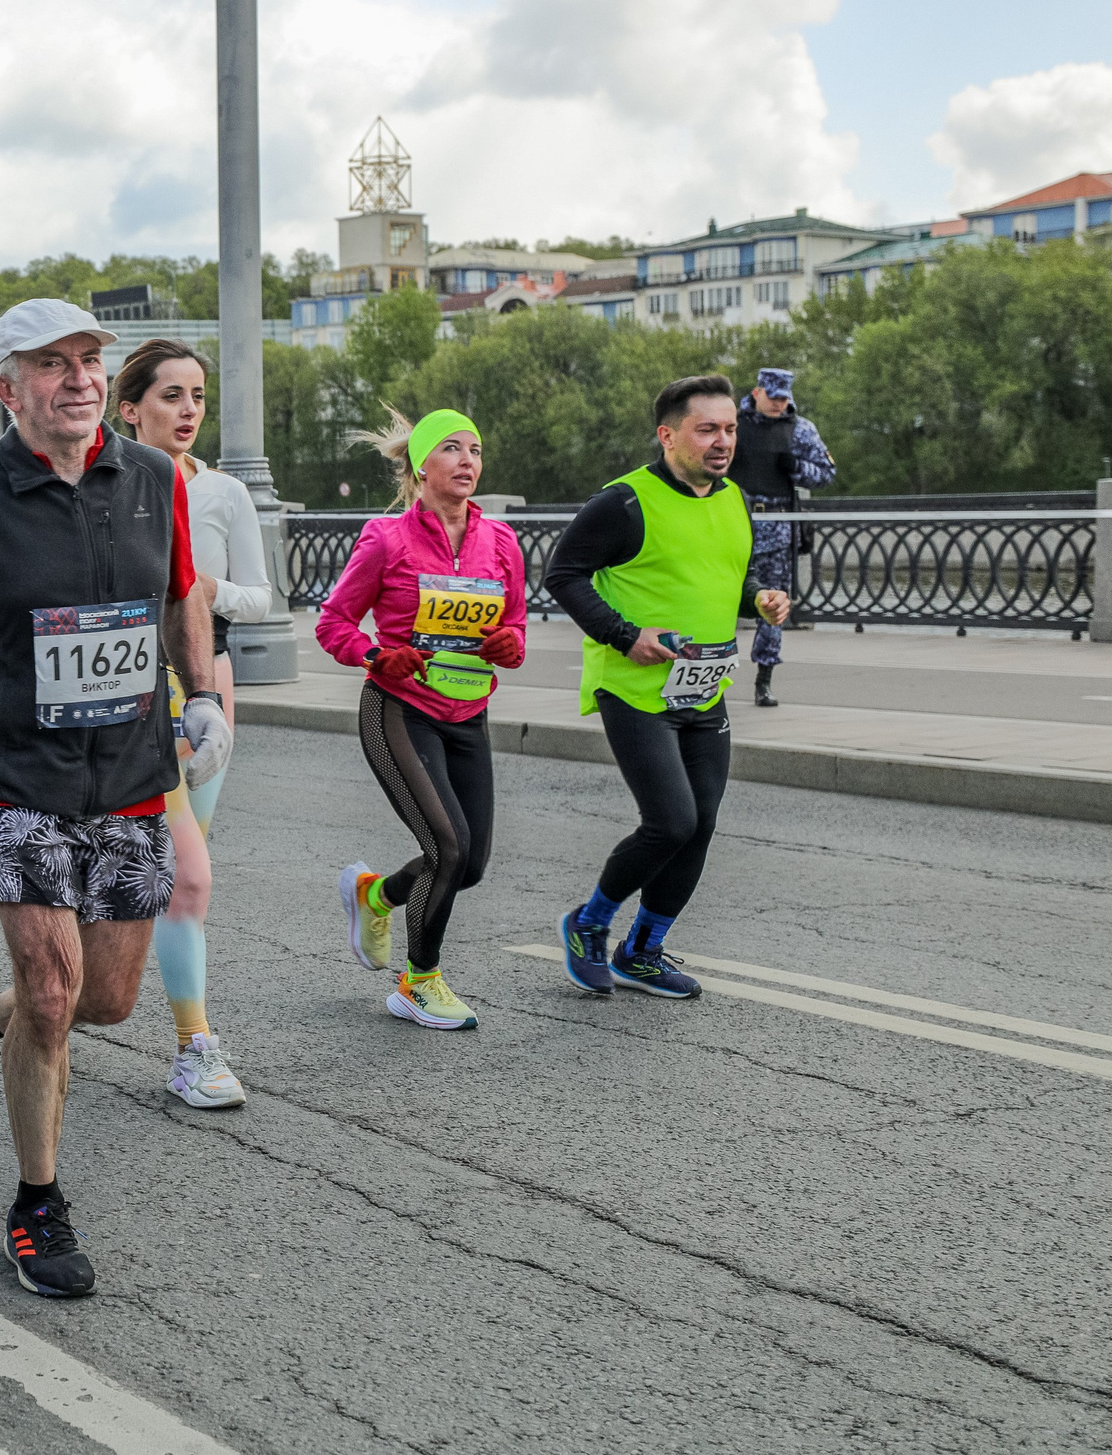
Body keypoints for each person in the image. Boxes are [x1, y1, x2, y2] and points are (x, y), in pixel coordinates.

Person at [0, 297, 229, 1300]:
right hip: (20, 777)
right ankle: (38, 1202)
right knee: (57, 994)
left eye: (88, 361)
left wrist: (201, 694)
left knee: (104, 1003)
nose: (77, 380)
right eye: (51, 365)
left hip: (134, 777)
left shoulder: (152, 479)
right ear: (4, 389)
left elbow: (179, 592)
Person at [548, 374, 791, 1000]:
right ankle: (589, 921)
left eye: (730, 429)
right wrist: (623, 633)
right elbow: (563, 574)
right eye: (706, 429)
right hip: (635, 687)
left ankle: (643, 951)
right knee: (671, 821)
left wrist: (756, 597)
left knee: (702, 824)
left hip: (703, 689)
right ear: (668, 435)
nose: (723, 442)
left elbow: (714, 574)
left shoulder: (734, 498)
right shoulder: (624, 503)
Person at [317, 409, 528, 1032]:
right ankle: (419, 981)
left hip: (469, 710)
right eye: (452, 449)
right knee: (449, 847)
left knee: (471, 863)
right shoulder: (387, 537)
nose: (468, 460)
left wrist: (511, 644)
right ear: (420, 466)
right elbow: (334, 624)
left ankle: (375, 894)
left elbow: (513, 621)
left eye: (476, 449)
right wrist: (378, 654)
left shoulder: (502, 542)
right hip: (400, 710)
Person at [109, 339, 277, 1098]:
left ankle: (1, 1014)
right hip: (128, 690)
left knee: (175, 877)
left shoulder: (225, 494)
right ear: (130, 407)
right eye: (170, 395)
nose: (187, 410)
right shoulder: (101, 485)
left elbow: (261, 597)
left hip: (208, 683)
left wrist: (200, 588)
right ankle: (194, 1045)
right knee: (190, 881)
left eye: (198, 396)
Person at [730, 367, 834, 707]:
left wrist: (797, 468)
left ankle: (764, 680)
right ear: (758, 392)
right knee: (715, 598)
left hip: (777, 530)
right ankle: (703, 671)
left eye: (784, 398)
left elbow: (826, 473)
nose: (779, 404)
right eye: (773, 397)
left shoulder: (799, 429)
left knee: (773, 606)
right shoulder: (731, 423)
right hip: (731, 524)